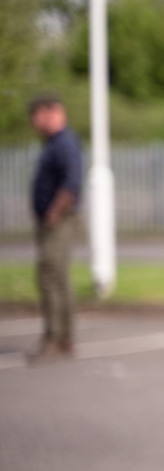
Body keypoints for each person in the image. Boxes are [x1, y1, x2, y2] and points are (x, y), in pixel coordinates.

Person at [28, 94, 82, 361]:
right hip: (54, 220)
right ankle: (63, 339)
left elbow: (71, 182)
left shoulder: (64, 143)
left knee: (51, 278)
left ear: (51, 112)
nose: (34, 121)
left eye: (37, 114)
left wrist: (53, 212)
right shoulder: (54, 143)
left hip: (58, 221)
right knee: (57, 277)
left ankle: (56, 338)